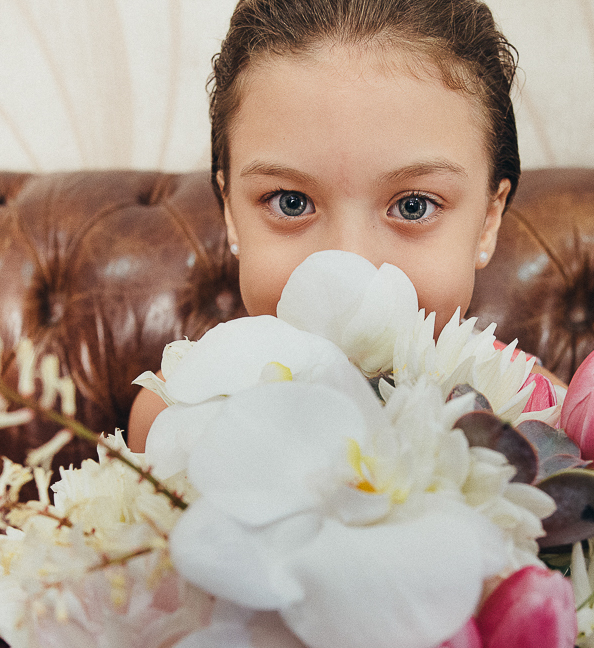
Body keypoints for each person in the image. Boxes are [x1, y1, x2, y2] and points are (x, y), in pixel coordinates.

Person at [127, 0, 529, 453]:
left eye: (414, 206)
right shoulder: (174, 415)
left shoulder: (534, 415)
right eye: (291, 203)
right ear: (231, 214)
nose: (347, 269)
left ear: (487, 221)